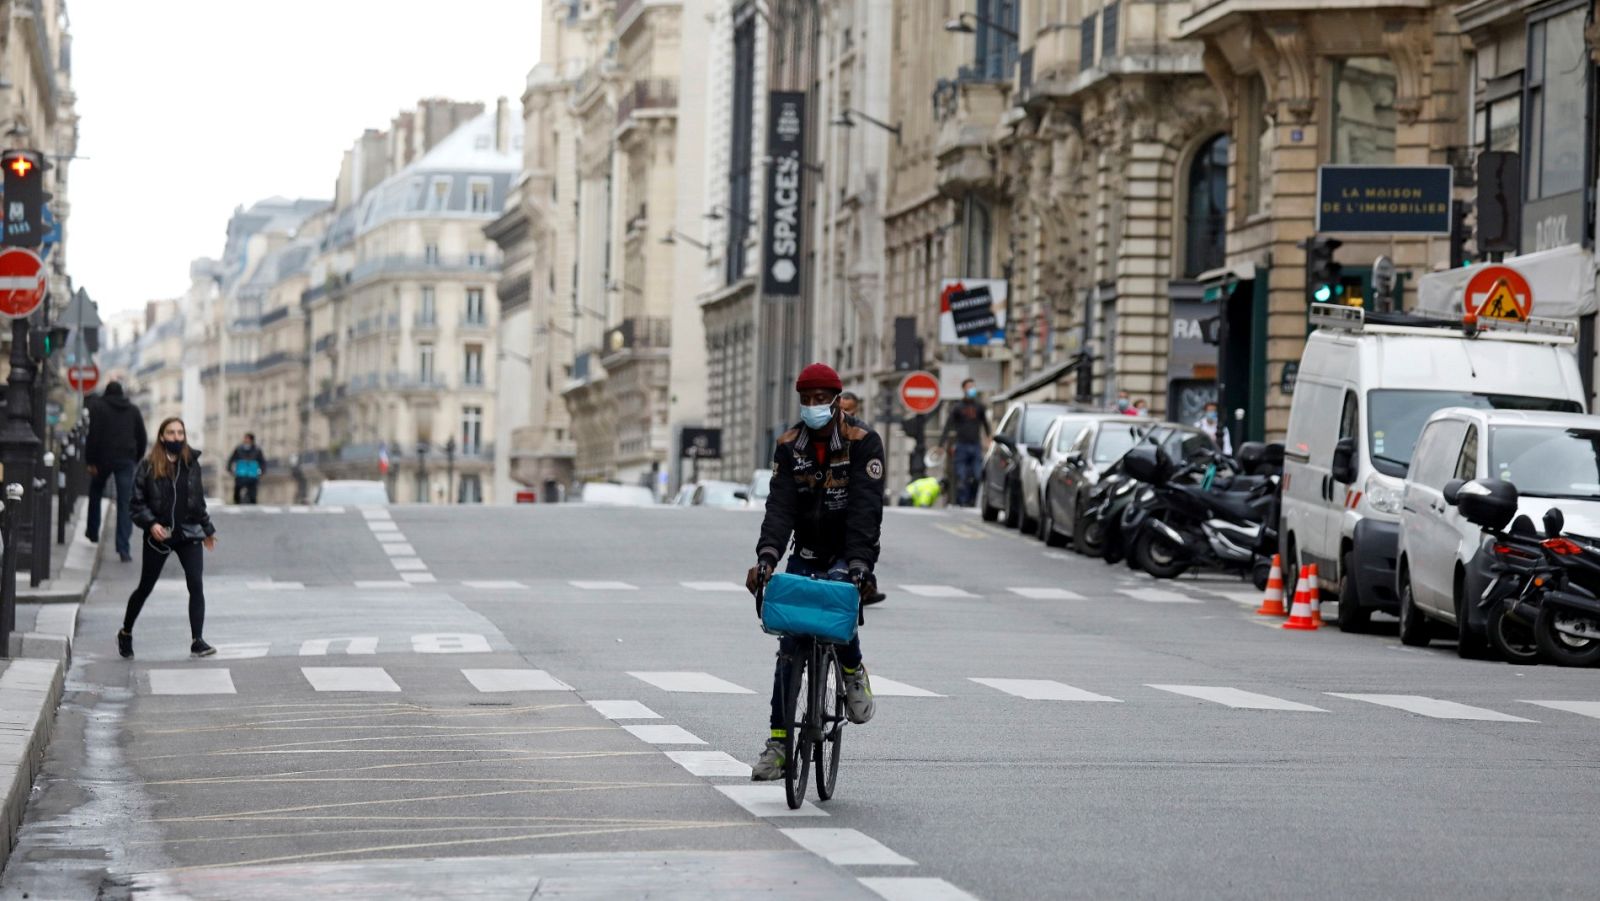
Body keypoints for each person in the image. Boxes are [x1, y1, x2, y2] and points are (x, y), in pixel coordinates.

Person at [745, 362, 881, 781]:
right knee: (791, 647)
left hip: (846, 550)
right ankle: (780, 743)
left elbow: (866, 510)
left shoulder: (863, 441)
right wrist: (767, 557)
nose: (813, 406)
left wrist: (860, 564)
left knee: (837, 610)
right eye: (806, 399)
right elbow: (780, 507)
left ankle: (854, 672)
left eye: (822, 399)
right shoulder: (789, 445)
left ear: (837, 400)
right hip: (804, 548)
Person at [119, 417, 218, 659]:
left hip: (189, 531)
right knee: (145, 587)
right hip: (160, 535)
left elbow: (198, 500)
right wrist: (151, 524)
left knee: (196, 584)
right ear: (162, 436)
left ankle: (198, 640)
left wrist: (208, 529)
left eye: (180, 432)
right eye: (171, 433)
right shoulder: (149, 465)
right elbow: (136, 503)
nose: (176, 437)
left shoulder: (191, 463)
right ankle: (126, 632)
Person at [84, 381, 147, 563]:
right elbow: (141, 437)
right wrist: (136, 458)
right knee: (125, 503)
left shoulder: (98, 407)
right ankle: (123, 548)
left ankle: (93, 531)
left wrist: (91, 461)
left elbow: (92, 435)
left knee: (95, 491)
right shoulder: (133, 410)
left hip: (102, 459)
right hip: (125, 460)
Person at [939, 378, 990, 507]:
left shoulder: (979, 406)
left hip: (975, 445)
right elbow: (948, 425)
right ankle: (963, 501)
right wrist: (941, 444)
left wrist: (989, 439)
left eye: (973, 387)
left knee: (977, 475)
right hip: (961, 445)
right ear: (964, 389)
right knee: (961, 476)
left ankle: (972, 500)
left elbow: (986, 424)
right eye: (969, 387)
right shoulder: (958, 407)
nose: (971, 389)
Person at [226, 433, 267, 504]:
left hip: (252, 474)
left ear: (251, 440)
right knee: (237, 489)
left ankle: (253, 502)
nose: (245, 440)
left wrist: (262, 471)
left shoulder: (257, 450)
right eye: (245, 438)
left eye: (247, 438)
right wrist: (229, 469)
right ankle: (237, 501)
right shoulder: (238, 449)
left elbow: (262, 461)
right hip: (240, 474)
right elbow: (232, 459)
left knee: (253, 492)